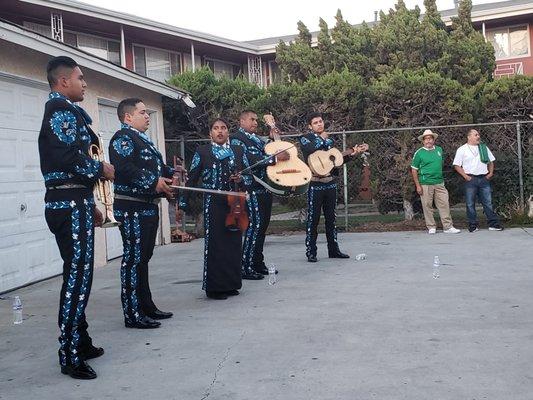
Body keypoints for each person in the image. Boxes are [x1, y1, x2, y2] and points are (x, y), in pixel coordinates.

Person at [39, 56, 115, 379]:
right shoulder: (61, 111)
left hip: (74, 200)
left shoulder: (66, 112)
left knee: (79, 274)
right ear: (63, 81)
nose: (84, 84)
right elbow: (69, 156)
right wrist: (101, 169)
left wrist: (92, 203)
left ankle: (80, 340)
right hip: (68, 203)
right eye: (80, 78)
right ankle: (69, 353)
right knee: (77, 277)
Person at [109, 98, 174, 329]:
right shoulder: (123, 138)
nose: (147, 117)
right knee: (133, 259)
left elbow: (156, 168)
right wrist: (153, 181)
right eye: (143, 112)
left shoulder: (143, 140)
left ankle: (147, 306)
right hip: (131, 206)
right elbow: (125, 168)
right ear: (128, 117)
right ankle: (133, 313)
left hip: (147, 205)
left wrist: (171, 174)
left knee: (143, 259)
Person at [179, 118, 252, 299]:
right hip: (213, 202)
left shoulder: (238, 150)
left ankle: (231, 283)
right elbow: (192, 179)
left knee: (234, 243)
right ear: (210, 132)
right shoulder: (202, 152)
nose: (220, 131)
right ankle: (215, 287)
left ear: (228, 131)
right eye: (216, 128)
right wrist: (182, 204)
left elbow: (249, 177)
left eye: (223, 128)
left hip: (235, 202)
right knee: (216, 244)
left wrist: (241, 180)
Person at [299, 112, 368, 262]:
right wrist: (321, 138)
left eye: (321, 121)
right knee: (313, 219)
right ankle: (311, 252)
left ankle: (333, 250)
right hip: (315, 184)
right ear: (310, 126)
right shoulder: (305, 139)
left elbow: (336, 161)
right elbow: (310, 150)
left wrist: (352, 154)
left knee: (332, 219)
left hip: (330, 183)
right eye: (316, 122)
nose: (319, 124)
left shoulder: (329, 142)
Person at [229, 110, 289, 279]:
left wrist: (273, 139)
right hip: (250, 188)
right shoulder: (237, 139)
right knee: (253, 227)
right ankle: (245, 266)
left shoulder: (256, 139)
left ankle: (257, 262)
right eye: (252, 119)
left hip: (264, 187)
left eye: (256, 120)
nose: (255, 122)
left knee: (262, 227)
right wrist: (276, 158)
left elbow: (267, 151)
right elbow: (250, 160)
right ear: (241, 121)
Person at [411, 129, 461, 235]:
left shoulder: (439, 150)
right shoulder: (419, 153)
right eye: (426, 139)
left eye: (430, 138)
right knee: (427, 205)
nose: (428, 141)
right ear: (423, 141)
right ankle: (431, 227)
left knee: (444, 203)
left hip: (439, 182)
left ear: (433, 140)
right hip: (425, 183)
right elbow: (414, 169)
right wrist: (418, 186)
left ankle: (448, 227)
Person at [453, 129, 503, 232]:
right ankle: (473, 225)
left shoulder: (483, 148)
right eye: (476, 135)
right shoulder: (462, 149)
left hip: (484, 178)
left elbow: (491, 161)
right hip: (470, 179)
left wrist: (490, 173)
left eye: (478, 135)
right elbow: (457, 165)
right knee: (470, 203)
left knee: (488, 202)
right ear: (469, 137)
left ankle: (493, 224)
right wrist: (465, 176)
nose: (478, 136)